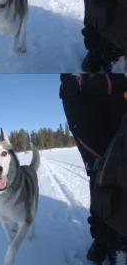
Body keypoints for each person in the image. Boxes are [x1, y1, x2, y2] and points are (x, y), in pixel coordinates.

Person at [60, 73, 127, 264]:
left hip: (117, 86)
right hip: (79, 91)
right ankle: (103, 236)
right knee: (99, 169)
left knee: (121, 164)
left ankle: (119, 237)